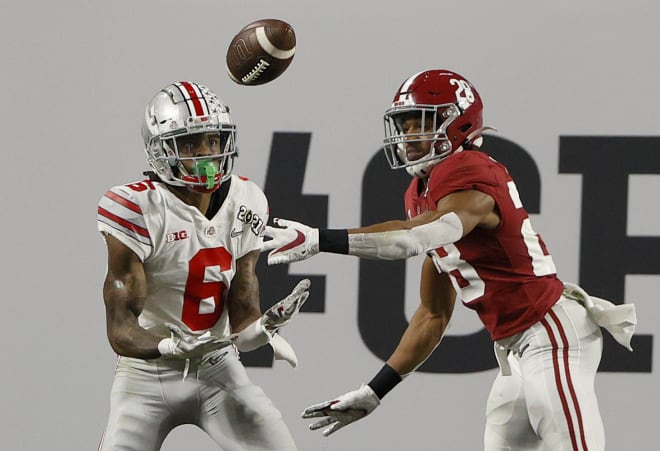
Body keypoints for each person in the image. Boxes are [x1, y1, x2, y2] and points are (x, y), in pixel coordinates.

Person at [262, 70, 637, 450]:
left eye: (420, 124)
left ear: (457, 125)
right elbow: (433, 314)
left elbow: (410, 240)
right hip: (516, 348)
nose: (408, 137)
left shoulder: (468, 170)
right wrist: (376, 391)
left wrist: (318, 239)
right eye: (404, 125)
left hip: (552, 333)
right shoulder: (420, 191)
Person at [96, 81, 310, 451]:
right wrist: (170, 347)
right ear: (161, 150)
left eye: (212, 141)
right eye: (190, 143)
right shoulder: (137, 208)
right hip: (145, 377)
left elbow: (241, 317)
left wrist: (264, 329)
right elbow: (120, 329)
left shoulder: (247, 199)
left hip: (216, 367)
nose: (206, 153)